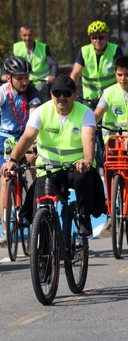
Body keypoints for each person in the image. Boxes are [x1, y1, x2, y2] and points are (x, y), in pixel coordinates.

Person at [2, 76, 98, 236]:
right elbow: (27, 138)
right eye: (57, 93)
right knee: (40, 209)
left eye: (66, 93)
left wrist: (87, 160)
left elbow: (89, 138)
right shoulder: (41, 111)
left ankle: (83, 216)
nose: (61, 97)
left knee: (84, 177)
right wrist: (13, 160)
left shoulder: (85, 112)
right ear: (51, 95)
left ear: (75, 95)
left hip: (74, 168)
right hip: (47, 170)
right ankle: (45, 251)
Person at [93, 56, 128, 225]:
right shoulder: (108, 92)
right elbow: (97, 113)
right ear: (115, 74)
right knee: (109, 172)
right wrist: (88, 126)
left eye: (127, 75)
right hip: (113, 139)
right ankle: (110, 210)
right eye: (119, 74)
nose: (123, 78)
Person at [0, 57, 41, 245]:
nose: (24, 82)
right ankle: (5, 228)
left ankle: (37, 194)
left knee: (33, 158)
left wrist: (31, 143)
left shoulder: (32, 92)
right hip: (4, 137)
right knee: (5, 178)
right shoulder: (2, 93)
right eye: (20, 78)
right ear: (9, 78)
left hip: (25, 136)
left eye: (26, 77)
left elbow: (34, 118)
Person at [70, 21, 123, 102]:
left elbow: (120, 71)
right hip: (89, 98)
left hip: (110, 97)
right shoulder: (84, 51)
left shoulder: (115, 50)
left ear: (107, 37)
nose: (97, 40)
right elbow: (75, 73)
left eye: (101, 37)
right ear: (90, 39)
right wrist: (70, 92)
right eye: (94, 38)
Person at [12, 25, 57, 102]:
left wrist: (52, 75)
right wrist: (4, 74)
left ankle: (42, 111)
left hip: (41, 81)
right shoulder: (16, 48)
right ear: (20, 35)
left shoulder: (43, 47)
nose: (27, 38)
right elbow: (9, 63)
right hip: (24, 81)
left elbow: (53, 64)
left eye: (30, 35)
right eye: (24, 35)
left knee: (39, 90)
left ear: (34, 35)